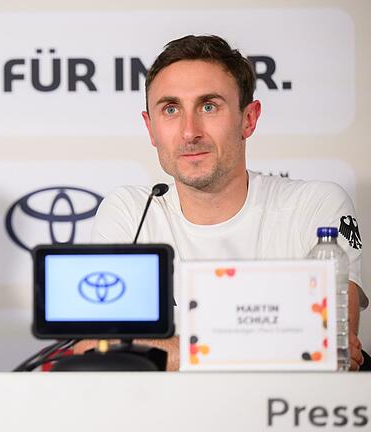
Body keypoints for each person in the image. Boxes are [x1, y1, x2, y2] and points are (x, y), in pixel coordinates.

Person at [82, 35, 366, 371]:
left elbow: (334, 349)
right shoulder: (130, 213)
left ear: (249, 119)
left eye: (208, 106)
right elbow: (95, 349)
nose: (190, 132)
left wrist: (168, 349)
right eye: (171, 109)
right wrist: (277, 341)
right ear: (151, 128)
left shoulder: (315, 206)